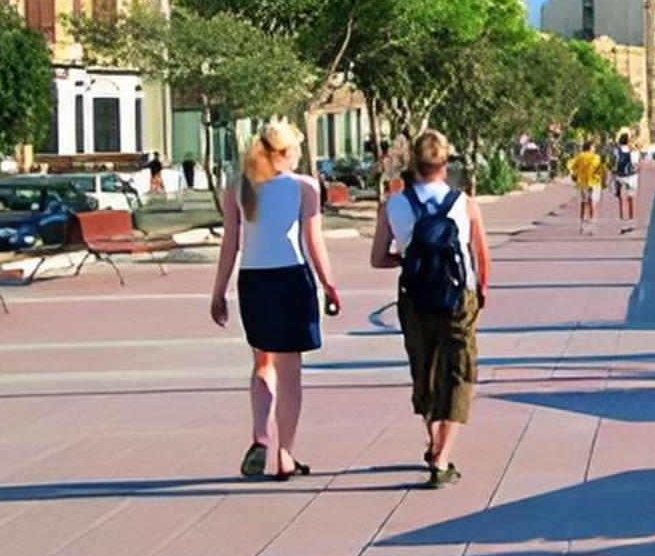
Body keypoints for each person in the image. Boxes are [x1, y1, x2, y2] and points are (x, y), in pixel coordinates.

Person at [208, 118, 341, 481]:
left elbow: (230, 244)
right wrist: (330, 284)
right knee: (290, 374)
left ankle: (260, 437)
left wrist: (219, 291)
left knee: (262, 363)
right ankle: (285, 454)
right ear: (286, 152)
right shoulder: (305, 187)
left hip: (253, 282)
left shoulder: (238, 188)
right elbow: (314, 242)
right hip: (291, 278)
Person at [370, 130, 490, 489]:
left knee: (424, 369)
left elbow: (378, 258)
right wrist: (480, 291)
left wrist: (409, 258)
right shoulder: (464, 203)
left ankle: (432, 438)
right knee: (458, 373)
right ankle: (442, 457)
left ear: (414, 163)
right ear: (444, 163)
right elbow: (481, 257)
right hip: (458, 297)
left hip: (415, 297)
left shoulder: (394, 205)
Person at [566, 140, 606, 230]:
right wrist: (603, 180)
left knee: (583, 203)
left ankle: (582, 222)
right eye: (593, 147)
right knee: (592, 202)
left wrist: (575, 174)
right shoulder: (596, 157)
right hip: (594, 182)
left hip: (582, 182)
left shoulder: (580, 156)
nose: (594, 148)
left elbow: (572, 167)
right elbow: (601, 170)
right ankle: (592, 221)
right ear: (590, 147)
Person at [611, 130, 639, 232]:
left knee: (621, 200)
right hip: (631, 177)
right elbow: (636, 166)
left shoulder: (616, 150)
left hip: (619, 176)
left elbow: (613, 163)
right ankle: (631, 223)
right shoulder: (634, 150)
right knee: (631, 199)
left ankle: (622, 224)